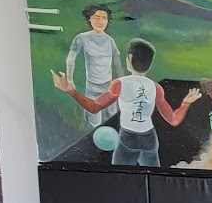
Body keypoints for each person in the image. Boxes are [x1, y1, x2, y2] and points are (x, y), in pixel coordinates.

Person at [50, 38, 200, 168]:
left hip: (128, 137)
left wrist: (71, 91)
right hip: (149, 138)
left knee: (120, 177)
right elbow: (173, 120)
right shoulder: (156, 88)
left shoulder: (119, 84)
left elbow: (94, 107)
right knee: (154, 175)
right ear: (150, 63)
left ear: (129, 59)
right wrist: (185, 103)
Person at [63, 3, 122, 129]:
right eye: (96, 17)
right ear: (89, 19)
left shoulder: (110, 40)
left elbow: (117, 63)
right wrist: (70, 80)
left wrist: (123, 82)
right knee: (94, 123)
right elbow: (70, 60)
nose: (100, 22)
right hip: (92, 87)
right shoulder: (82, 38)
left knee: (113, 117)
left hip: (109, 87)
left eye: (104, 18)